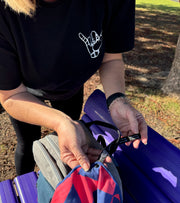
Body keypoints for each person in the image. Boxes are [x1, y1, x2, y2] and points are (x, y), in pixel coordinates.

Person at [0, 0, 147, 176]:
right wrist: (60, 122)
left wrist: (117, 99)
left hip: (71, 87)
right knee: (27, 142)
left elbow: (111, 58)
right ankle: (24, 186)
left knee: (72, 138)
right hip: (25, 92)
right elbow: (11, 95)